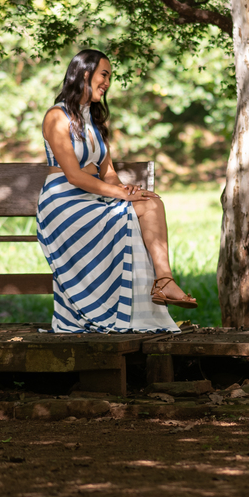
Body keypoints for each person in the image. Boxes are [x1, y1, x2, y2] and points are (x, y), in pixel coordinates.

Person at [37, 49, 196, 334]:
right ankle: (135, 297)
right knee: (135, 212)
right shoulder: (56, 116)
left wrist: (125, 188)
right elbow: (73, 175)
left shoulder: (93, 121)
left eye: (109, 77)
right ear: (85, 74)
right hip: (64, 202)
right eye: (104, 75)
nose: (107, 83)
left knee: (151, 202)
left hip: (91, 198)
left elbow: (107, 171)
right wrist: (122, 196)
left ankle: (164, 282)